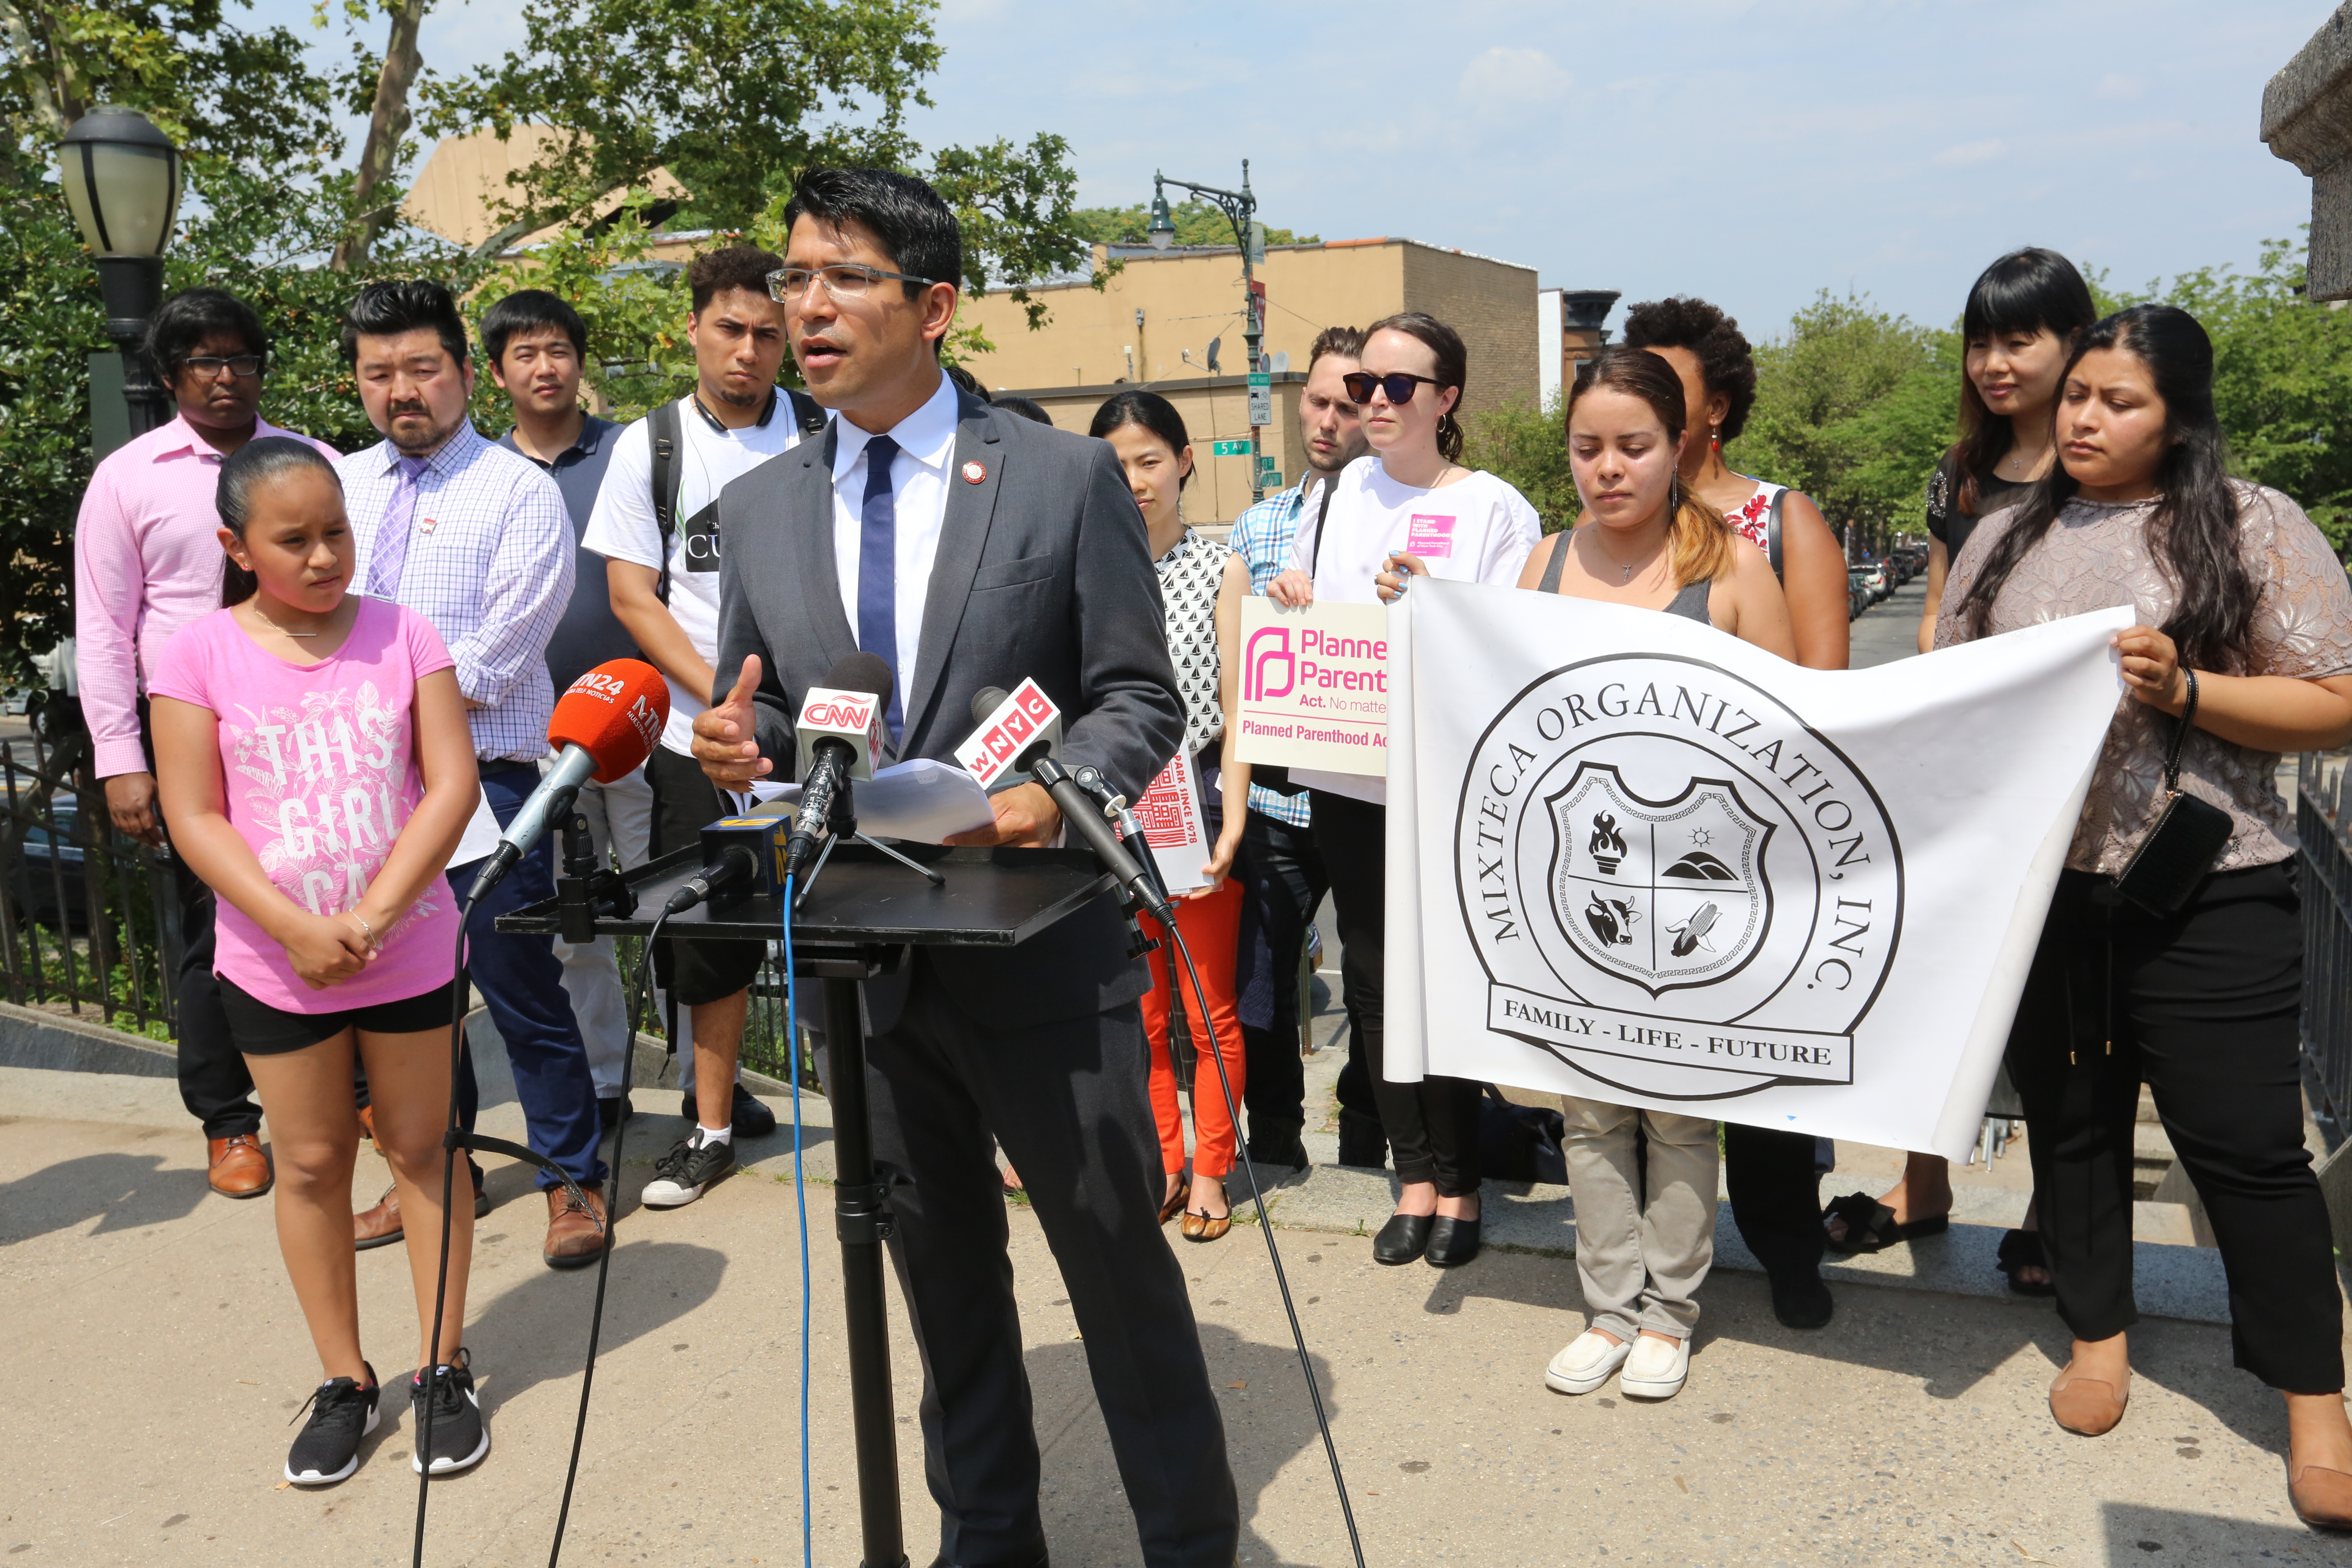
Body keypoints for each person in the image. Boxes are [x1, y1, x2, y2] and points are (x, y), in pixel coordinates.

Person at [695, 166, 1234, 1567]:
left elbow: (1139, 702)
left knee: (1114, 1263)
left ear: (932, 307)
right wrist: (733, 737)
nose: (805, 307)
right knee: (938, 1279)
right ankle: (988, 1536)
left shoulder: (1056, 478)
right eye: (796, 277)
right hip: (863, 961)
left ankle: (1188, 1536)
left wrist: (1037, 807)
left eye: (845, 278)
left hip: (1044, 946)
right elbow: (763, 704)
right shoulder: (760, 508)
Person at [1940, 304, 2352, 1527]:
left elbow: (2335, 702)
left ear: (2179, 416)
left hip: (2212, 889)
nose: (2084, 418)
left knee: (2246, 1150)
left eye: (2119, 403)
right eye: (2080, 396)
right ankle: (2098, 1337)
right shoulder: (2005, 535)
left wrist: (2192, 688)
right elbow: (1947, 689)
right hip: (2046, 896)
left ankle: (2315, 1399)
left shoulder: (2253, 523)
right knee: (2072, 1124)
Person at [149, 439, 485, 1482]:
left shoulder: (404, 634)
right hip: (273, 959)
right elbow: (193, 814)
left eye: (336, 531)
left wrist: (381, 911)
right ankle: (345, 1378)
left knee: (424, 1151)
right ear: (236, 546)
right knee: (309, 1164)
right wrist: (293, 926)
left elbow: (450, 784)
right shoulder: (197, 652)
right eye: (293, 540)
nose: (324, 556)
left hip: (411, 945)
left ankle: (443, 1367)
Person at [1520, 347, 1795, 1404]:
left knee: (1681, 1117)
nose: (1608, 468)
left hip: (1698, 904)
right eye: (1587, 447)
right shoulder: (1540, 565)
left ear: (1679, 447)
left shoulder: (1728, 570)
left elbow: (1797, 731)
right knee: (1588, 1113)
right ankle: (1607, 1305)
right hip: (1577, 898)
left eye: (1632, 446)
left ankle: (1670, 1314)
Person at [1826, 250, 2098, 1294]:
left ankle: (2044, 1208)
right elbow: (1939, 611)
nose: (1995, 362)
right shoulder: (1962, 473)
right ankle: (1921, 1186)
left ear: (2076, 340)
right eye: (1981, 340)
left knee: (2050, 1003)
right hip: (1961, 762)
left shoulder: (2103, 465)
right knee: (1932, 981)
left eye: (2019, 338)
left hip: (2068, 772)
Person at [335, 280, 607, 1270]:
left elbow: (499, 655)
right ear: (357, 383)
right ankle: (431, 1174)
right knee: (404, 1005)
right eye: (379, 374)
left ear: (460, 371)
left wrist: (369, 702)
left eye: (420, 369)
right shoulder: (341, 489)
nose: (401, 391)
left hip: (489, 785)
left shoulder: (518, 490)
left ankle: (570, 1176)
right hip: (366, 790)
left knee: (521, 987)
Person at [1269, 311, 1541, 1269]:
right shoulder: (1335, 493)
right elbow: (1294, 601)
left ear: (1447, 398)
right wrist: (1291, 597)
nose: (1372, 404)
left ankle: (1464, 1188)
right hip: (1349, 769)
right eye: (1360, 388)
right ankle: (1414, 1177)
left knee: (1451, 985)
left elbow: (1516, 644)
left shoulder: (1495, 508)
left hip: (1455, 782)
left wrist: (1435, 600)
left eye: (1397, 387)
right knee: (1377, 984)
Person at [74, 288, 337, 1200]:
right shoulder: (131, 477)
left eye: (241, 358)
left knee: (326, 887)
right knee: (212, 928)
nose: (226, 377)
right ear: (168, 375)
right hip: (194, 731)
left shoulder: (313, 462)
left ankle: (353, 1092)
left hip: (306, 724)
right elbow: (105, 626)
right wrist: (122, 760)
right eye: (203, 362)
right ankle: (230, 1124)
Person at [1619, 295, 1851, 1329]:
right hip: (1628, 847)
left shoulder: (1778, 519)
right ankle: (1644, 1268)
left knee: (1761, 1069)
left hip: (1751, 845)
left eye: (1670, 386)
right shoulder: (1602, 526)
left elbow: (1827, 692)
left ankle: (1789, 1249)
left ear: (1711, 409)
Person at [583, 246, 816, 1207]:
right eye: (732, 329)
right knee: (710, 935)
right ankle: (709, 1126)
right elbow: (632, 595)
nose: (749, 351)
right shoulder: (653, 446)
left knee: (843, 924)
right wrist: (719, 695)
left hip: (812, 736)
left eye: (769, 334)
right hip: (696, 740)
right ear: (693, 330)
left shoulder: (821, 430)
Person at [1087, 389, 1253, 1241]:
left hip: (1195, 805)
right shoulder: (1084, 570)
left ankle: (1215, 1169)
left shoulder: (1218, 567)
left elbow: (1237, 702)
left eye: (1150, 459)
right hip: (1109, 814)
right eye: (1117, 465)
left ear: (1185, 462)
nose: (1136, 479)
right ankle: (1164, 1159)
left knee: (1207, 1008)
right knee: (1141, 1011)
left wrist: (1236, 816)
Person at [1225, 325, 1385, 1171]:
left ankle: (1367, 1140)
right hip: (1276, 802)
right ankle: (1277, 1140)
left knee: (1373, 985)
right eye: (1317, 401)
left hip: (1366, 796)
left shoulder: (1400, 527)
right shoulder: (1257, 529)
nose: (1329, 420)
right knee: (1263, 980)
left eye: (1349, 405)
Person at [482, 287, 638, 1136]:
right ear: (497, 372)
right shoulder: (487, 474)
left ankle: (708, 1090)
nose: (545, 368)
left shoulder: (632, 453)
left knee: (677, 907)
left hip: (645, 722)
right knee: (575, 924)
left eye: (558, 351)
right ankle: (606, 1081)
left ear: (580, 360)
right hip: (539, 738)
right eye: (525, 354)